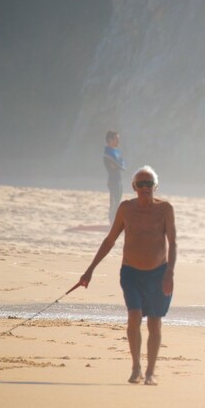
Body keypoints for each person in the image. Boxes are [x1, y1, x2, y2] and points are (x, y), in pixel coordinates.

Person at [73, 165, 176, 386]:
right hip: (131, 273)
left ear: (155, 186)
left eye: (149, 184)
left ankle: (150, 372)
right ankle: (136, 367)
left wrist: (170, 273)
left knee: (154, 322)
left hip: (158, 273)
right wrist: (90, 270)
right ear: (134, 187)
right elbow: (110, 240)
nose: (145, 187)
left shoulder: (165, 209)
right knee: (134, 316)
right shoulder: (126, 209)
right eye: (141, 184)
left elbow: (173, 243)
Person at [103, 131, 126, 223]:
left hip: (119, 180)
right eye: (116, 139)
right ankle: (112, 223)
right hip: (113, 181)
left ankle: (115, 222)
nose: (118, 141)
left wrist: (118, 165)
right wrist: (118, 164)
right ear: (110, 139)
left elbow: (123, 164)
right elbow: (119, 164)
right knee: (114, 203)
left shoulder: (116, 152)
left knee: (117, 202)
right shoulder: (107, 152)